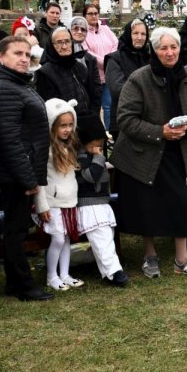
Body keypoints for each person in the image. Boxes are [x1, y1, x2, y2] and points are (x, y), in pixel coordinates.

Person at [110, 26, 187, 277]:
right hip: (143, 153)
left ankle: (182, 260)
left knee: (180, 202)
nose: (170, 52)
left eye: (174, 47)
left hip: (177, 151)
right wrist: (159, 131)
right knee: (148, 206)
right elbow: (125, 119)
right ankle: (150, 256)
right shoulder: (139, 78)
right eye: (163, 48)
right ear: (154, 51)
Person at [0, 35, 54, 302]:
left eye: (27, 54)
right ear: (1, 57)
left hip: (20, 169)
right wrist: (27, 178)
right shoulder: (2, 87)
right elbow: (9, 138)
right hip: (13, 173)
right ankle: (23, 284)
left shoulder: (15, 82)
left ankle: (17, 281)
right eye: (17, 54)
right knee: (16, 229)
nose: (24, 58)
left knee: (17, 227)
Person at [36, 99, 85, 291]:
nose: (67, 129)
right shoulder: (45, 149)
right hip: (52, 201)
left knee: (65, 238)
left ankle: (64, 273)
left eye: (70, 125)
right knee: (57, 238)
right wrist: (42, 205)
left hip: (69, 200)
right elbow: (40, 179)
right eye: (62, 125)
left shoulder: (70, 146)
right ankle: (51, 276)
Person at [74, 113, 127, 286]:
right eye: (95, 141)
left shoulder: (93, 156)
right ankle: (114, 271)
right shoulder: (83, 158)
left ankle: (110, 271)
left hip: (100, 203)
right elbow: (91, 176)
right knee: (101, 237)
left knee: (105, 237)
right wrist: (98, 158)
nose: (99, 145)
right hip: (90, 205)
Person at [103, 18, 151, 140]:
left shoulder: (149, 58)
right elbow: (117, 90)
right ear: (128, 34)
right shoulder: (114, 59)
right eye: (135, 33)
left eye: (143, 34)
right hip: (123, 120)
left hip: (148, 120)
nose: (139, 37)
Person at [37, 27, 97, 119]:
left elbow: (93, 95)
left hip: (88, 121)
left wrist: (93, 114)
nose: (64, 46)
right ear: (51, 45)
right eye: (59, 42)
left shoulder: (79, 66)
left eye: (67, 41)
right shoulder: (46, 72)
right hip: (64, 126)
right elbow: (49, 106)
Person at [80, 2, 119, 129]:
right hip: (94, 75)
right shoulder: (83, 32)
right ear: (84, 16)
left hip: (109, 74)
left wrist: (111, 60)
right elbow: (87, 52)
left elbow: (115, 43)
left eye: (95, 13)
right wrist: (107, 61)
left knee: (108, 106)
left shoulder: (106, 29)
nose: (93, 16)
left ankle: (109, 131)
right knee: (94, 105)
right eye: (90, 14)